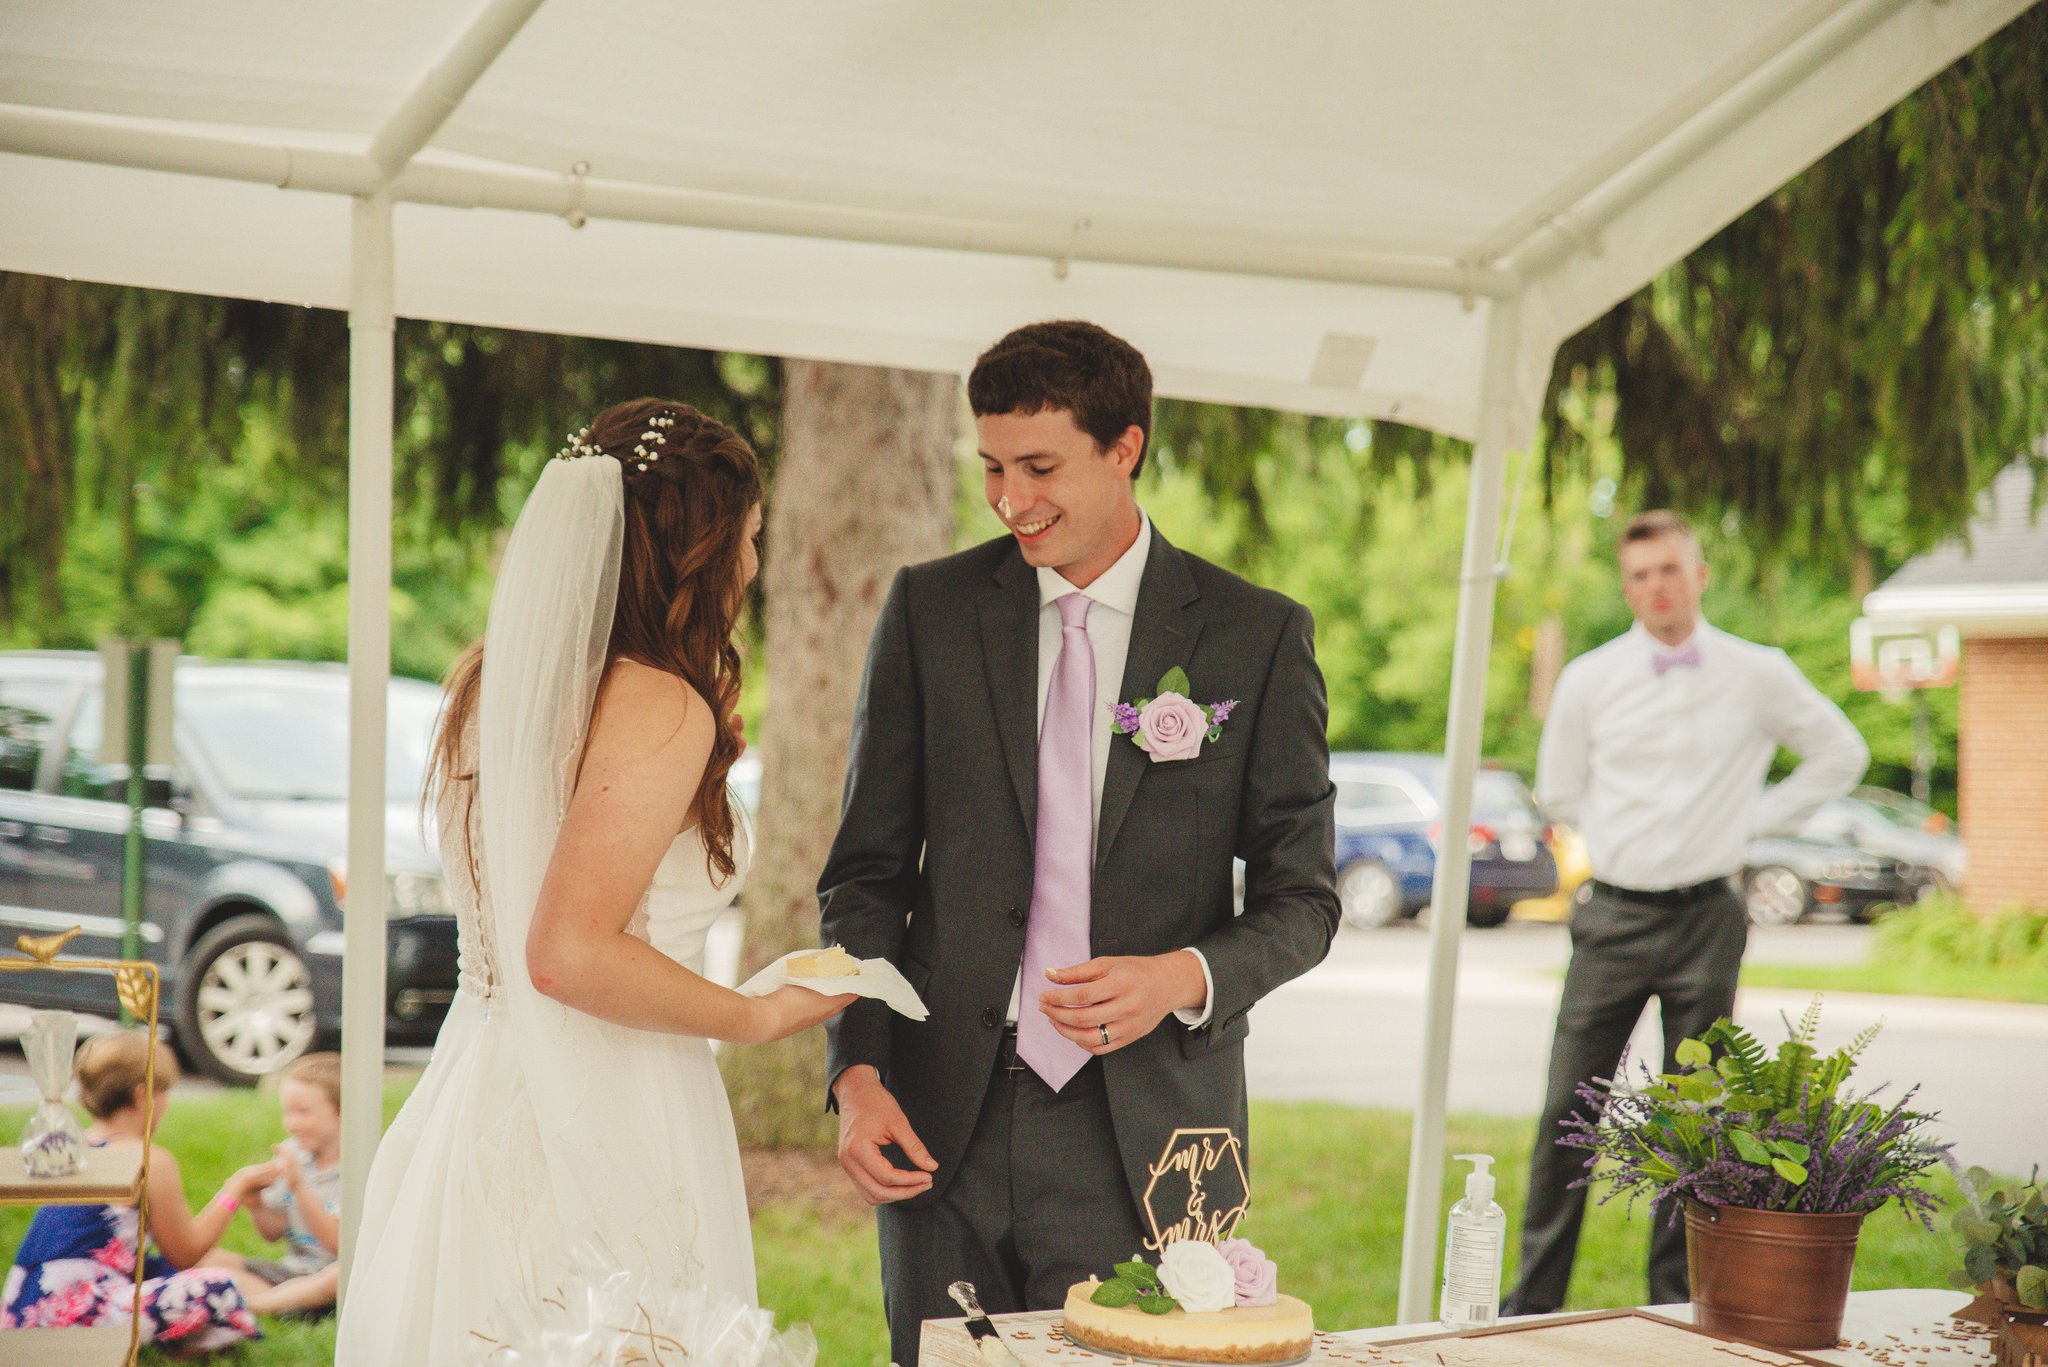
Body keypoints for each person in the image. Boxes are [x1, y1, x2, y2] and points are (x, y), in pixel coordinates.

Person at [819, 320, 1340, 1364]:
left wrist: (1178, 975)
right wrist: (857, 1073)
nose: (1010, 498)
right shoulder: (930, 610)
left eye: (1039, 466)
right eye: (992, 467)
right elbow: (866, 875)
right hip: (940, 1118)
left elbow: (1305, 900)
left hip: (1146, 1131)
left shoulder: (1256, 633)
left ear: (1124, 448)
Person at [337, 400, 852, 1365]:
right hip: (605, 1097)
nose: (753, 565)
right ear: (698, 548)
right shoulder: (660, 702)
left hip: (475, 1080)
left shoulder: (491, 682)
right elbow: (568, 953)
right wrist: (757, 1014)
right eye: (750, 536)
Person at [1504, 508, 1869, 1314]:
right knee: (1569, 1107)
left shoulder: (1758, 671)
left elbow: (1842, 751)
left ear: (1699, 574)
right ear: (1626, 586)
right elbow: (1558, 788)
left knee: (1695, 1117)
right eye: (1639, 574)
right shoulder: (1590, 678)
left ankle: (1677, 1299)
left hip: (1708, 917)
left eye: (1669, 568)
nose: (1656, 586)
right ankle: (1531, 1302)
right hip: (1613, 918)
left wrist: (1753, 820)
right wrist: (1623, 832)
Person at [2, 1032, 268, 1351]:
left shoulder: (73, 1144)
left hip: (20, 1310)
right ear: (143, 1097)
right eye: (164, 1093)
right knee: (218, 1285)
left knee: (158, 1268)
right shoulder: (149, 1159)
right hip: (76, 1314)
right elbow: (185, 1253)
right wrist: (235, 1190)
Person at [203, 1051, 343, 1316]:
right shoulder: (294, 1153)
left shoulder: (356, 1169)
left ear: (341, 1112)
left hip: (332, 1276)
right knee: (208, 1258)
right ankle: (280, 1301)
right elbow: (273, 1233)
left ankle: (253, 1304)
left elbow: (336, 1243)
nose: (292, 1123)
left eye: (303, 1112)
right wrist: (256, 1204)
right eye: (288, 1112)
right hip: (292, 1270)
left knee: (338, 1276)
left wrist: (299, 1188)